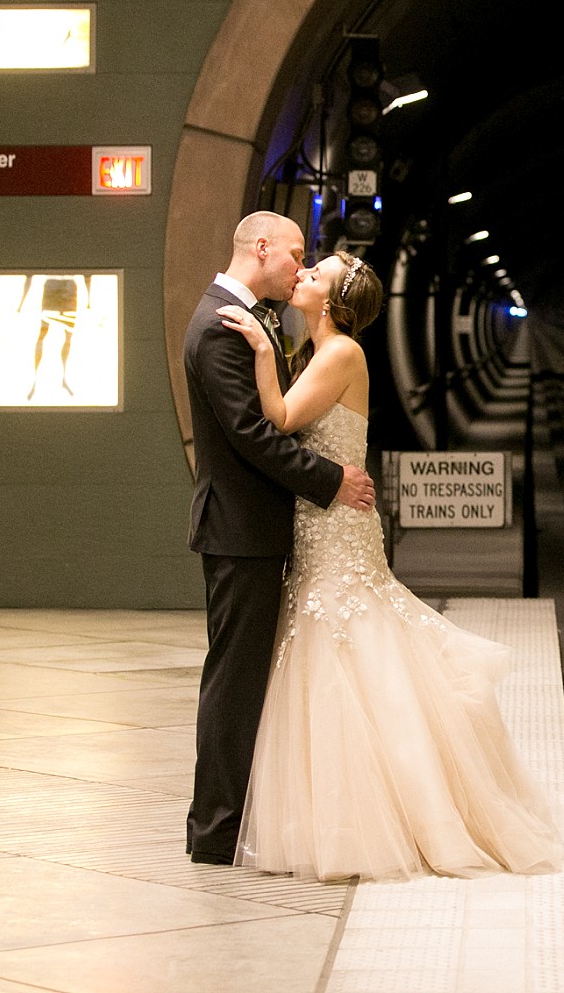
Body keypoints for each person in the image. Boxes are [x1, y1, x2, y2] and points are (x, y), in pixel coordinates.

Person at [217, 249, 564, 882]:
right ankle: (331, 819)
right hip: (319, 522)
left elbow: (281, 418)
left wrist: (262, 356)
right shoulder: (317, 352)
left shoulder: (342, 354)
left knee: (348, 656)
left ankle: (391, 817)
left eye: (314, 274)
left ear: (331, 303)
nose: (301, 275)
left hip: (336, 529)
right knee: (328, 657)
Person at [183, 212, 376, 866]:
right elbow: (255, 436)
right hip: (240, 533)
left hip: (259, 533)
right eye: (297, 254)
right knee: (234, 685)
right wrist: (332, 480)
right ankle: (213, 835)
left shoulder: (252, 322)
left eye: (309, 264)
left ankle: (235, 826)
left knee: (249, 683)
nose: (300, 265)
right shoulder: (220, 326)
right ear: (260, 247)